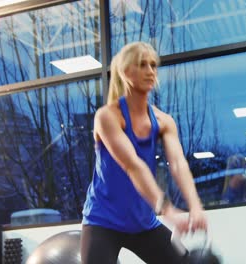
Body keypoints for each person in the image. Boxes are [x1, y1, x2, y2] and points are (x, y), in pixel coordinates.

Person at [81, 41, 207, 264]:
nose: (150, 71)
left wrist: (195, 207)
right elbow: (133, 165)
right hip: (103, 221)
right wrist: (168, 211)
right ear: (125, 71)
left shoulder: (163, 121)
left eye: (153, 65)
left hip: (143, 223)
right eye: (142, 65)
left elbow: (178, 164)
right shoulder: (107, 117)